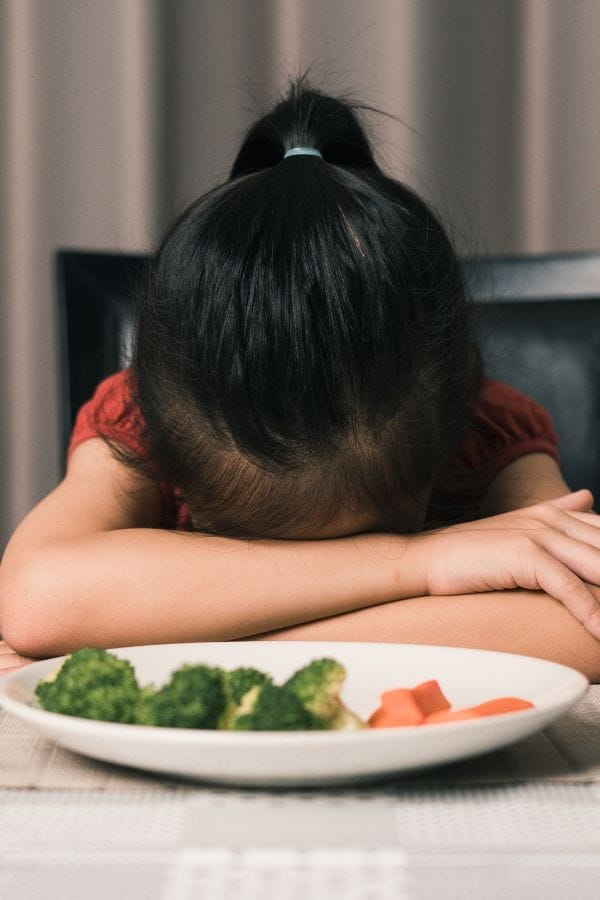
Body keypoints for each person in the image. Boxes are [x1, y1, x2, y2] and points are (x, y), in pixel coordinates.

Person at [1, 81, 600, 679]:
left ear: (450, 429)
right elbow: (34, 597)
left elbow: (584, 626)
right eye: (260, 556)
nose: (317, 575)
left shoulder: (489, 426)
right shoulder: (139, 417)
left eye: (357, 543)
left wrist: (202, 637)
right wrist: (413, 563)